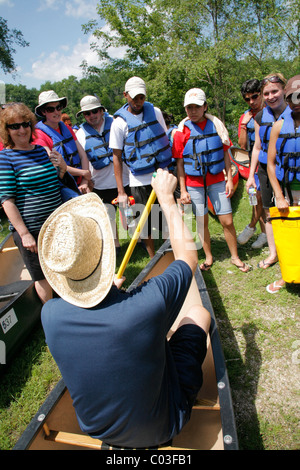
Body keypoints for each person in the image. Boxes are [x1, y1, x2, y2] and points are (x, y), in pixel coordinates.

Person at [39, 171, 211, 449]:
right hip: (163, 427)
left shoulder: (50, 314)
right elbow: (188, 258)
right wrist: (166, 199)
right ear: (105, 249)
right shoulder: (146, 303)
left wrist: (107, 291)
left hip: (100, 431)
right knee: (198, 316)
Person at [174, 88, 250, 272]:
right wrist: (183, 190)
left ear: (205, 107)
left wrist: (229, 180)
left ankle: (235, 257)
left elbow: (225, 153)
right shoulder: (181, 131)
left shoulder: (217, 125)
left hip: (217, 179)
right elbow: (180, 164)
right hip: (194, 183)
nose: (193, 111)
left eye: (197, 107)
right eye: (189, 107)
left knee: (227, 220)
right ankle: (208, 257)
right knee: (202, 221)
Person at [0, 102, 66, 303]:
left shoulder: (40, 151)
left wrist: (62, 168)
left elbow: (56, 181)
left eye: (25, 124)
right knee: (42, 276)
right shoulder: (5, 158)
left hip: (56, 223)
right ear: (7, 130)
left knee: (63, 266)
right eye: (14, 126)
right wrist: (24, 233)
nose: (21, 130)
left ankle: (72, 309)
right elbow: (7, 201)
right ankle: (52, 317)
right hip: (32, 230)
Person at [109, 77, 172, 258]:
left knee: (166, 221)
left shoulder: (156, 112)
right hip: (137, 180)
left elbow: (162, 139)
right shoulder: (119, 123)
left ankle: (171, 256)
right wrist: (121, 191)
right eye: (134, 98)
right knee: (144, 226)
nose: (138, 102)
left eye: (141, 98)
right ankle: (153, 259)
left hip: (160, 175)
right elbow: (116, 157)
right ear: (125, 95)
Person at [246, 73, 291, 269]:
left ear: (284, 91)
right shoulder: (258, 117)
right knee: (269, 212)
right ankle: (273, 254)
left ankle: (291, 249)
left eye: (275, 91)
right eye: (266, 93)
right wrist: (250, 176)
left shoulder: (294, 113)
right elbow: (257, 147)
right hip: (265, 169)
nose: (271, 96)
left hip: (289, 167)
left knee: (291, 207)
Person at [76, 95, 131, 252]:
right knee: (109, 216)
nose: (92, 115)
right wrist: (87, 180)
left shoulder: (116, 123)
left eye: (95, 111)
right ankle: (116, 245)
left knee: (130, 213)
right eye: (87, 113)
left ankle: (138, 239)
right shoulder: (80, 134)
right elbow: (83, 159)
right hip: (100, 183)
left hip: (124, 179)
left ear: (101, 110)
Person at [266, 75, 300, 293]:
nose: (296, 101)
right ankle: (288, 275)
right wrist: (278, 195)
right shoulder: (278, 126)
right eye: (292, 98)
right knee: (288, 237)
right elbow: (270, 164)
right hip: (287, 192)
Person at [33, 90, 91, 194]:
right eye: (51, 109)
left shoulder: (67, 128)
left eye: (58, 107)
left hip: (81, 184)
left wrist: (85, 181)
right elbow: (55, 165)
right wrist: (83, 173)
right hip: (62, 187)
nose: (56, 112)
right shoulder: (39, 135)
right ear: (43, 112)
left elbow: (83, 155)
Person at [237, 79, 267, 249]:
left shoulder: (271, 111)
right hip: (254, 165)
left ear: (262, 93)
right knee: (257, 198)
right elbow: (242, 145)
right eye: (247, 99)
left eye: (255, 97)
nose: (252, 102)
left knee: (264, 199)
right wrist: (243, 124)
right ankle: (263, 234)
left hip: (272, 162)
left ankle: (251, 226)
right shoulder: (246, 116)